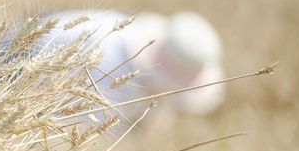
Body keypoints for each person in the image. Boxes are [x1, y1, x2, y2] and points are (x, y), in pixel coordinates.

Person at [28, 9, 225, 128]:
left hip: (33, 34)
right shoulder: (114, 75)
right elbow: (90, 133)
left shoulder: (124, 28)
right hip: (21, 69)